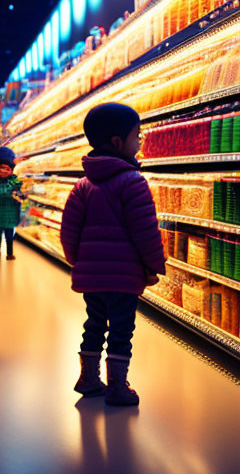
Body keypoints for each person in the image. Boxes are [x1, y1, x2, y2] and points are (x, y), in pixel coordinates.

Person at [59, 102, 165, 407]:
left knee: (93, 323)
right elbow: (145, 231)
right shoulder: (133, 183)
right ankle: (118, 386)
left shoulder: (81, 186)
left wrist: (76, 261)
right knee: (121, 330)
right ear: (119, 142)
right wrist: (155, 265)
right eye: (138, 135)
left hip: (92, 278)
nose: (140, 141)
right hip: (124, 277)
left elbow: (69, 231)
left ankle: (89, 378)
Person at [0, 146, 24, 259]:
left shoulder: (14, 181)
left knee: (9, 236)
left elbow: (19, 189)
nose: (4, 171)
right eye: (2, 168)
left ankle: (9, 253)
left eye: (7, 169)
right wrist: (8, 192)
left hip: (9, 215)